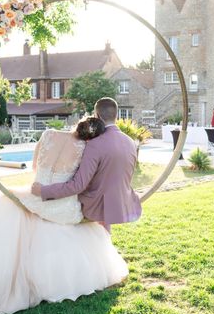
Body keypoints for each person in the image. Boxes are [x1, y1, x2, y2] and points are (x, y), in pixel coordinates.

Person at [0, 115, 132, 314]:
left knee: (7, 206)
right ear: (94, 137)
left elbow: (34, 167)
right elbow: (78, 183)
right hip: (62, 204)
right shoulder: (86, 149)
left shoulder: (48, 134)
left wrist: (42, 184)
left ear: (79, 124)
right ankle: (51, 283)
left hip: (35, 192)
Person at [32, 97, 142, 231]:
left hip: (95, 206)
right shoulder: (130, 142)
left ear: (97, 115)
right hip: (122, 203)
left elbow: (78, 185)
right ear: (116, 115)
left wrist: (43, 191)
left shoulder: (95, 144)